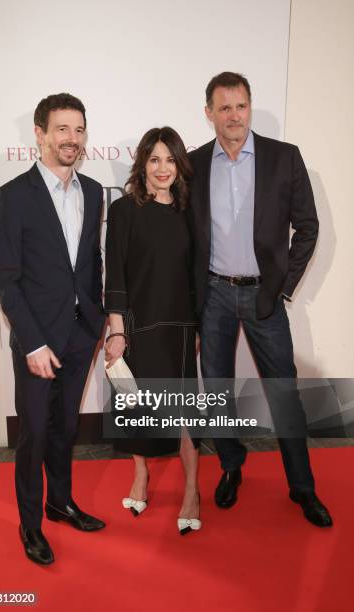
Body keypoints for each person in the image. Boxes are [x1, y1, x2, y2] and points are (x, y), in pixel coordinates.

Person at [188, 72, 332, 527]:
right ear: (209, 113)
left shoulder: (283, 158)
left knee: (284, 393)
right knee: (216, 390)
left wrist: (281, 286)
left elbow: (307, 227)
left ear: (250, 108)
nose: (234, 116)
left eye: (241, 106)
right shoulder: (192, 165)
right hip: (212, 295)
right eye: (224, 107)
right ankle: (231, 466)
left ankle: (303, 487)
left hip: (263, 297)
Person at [0, 93, 107, 565]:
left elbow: (88, 264)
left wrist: (100, 321)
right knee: (35, 433)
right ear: (39, 134)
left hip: (82, 334)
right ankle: (31, 525)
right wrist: (33, 342)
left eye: (78, 130)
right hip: (38, 340)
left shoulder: (95, 191)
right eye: (61, 129)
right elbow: (6, 277)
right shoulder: (14, 196)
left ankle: (61, 503)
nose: (71, 139)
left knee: (65, 430)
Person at [104, 127, 201, 534]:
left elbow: (196, 274)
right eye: (155, 159)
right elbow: (116, 274)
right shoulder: (125, 210)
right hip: (139, 327)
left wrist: (199, 328)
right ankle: (141, 474)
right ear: (143, 162)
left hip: (180, 327)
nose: (163, 168)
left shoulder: (189, 210)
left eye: (170, 159)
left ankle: (193, 489)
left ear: (179, 165)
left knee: (181, 412)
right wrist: (117, 331)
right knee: (136, 408)